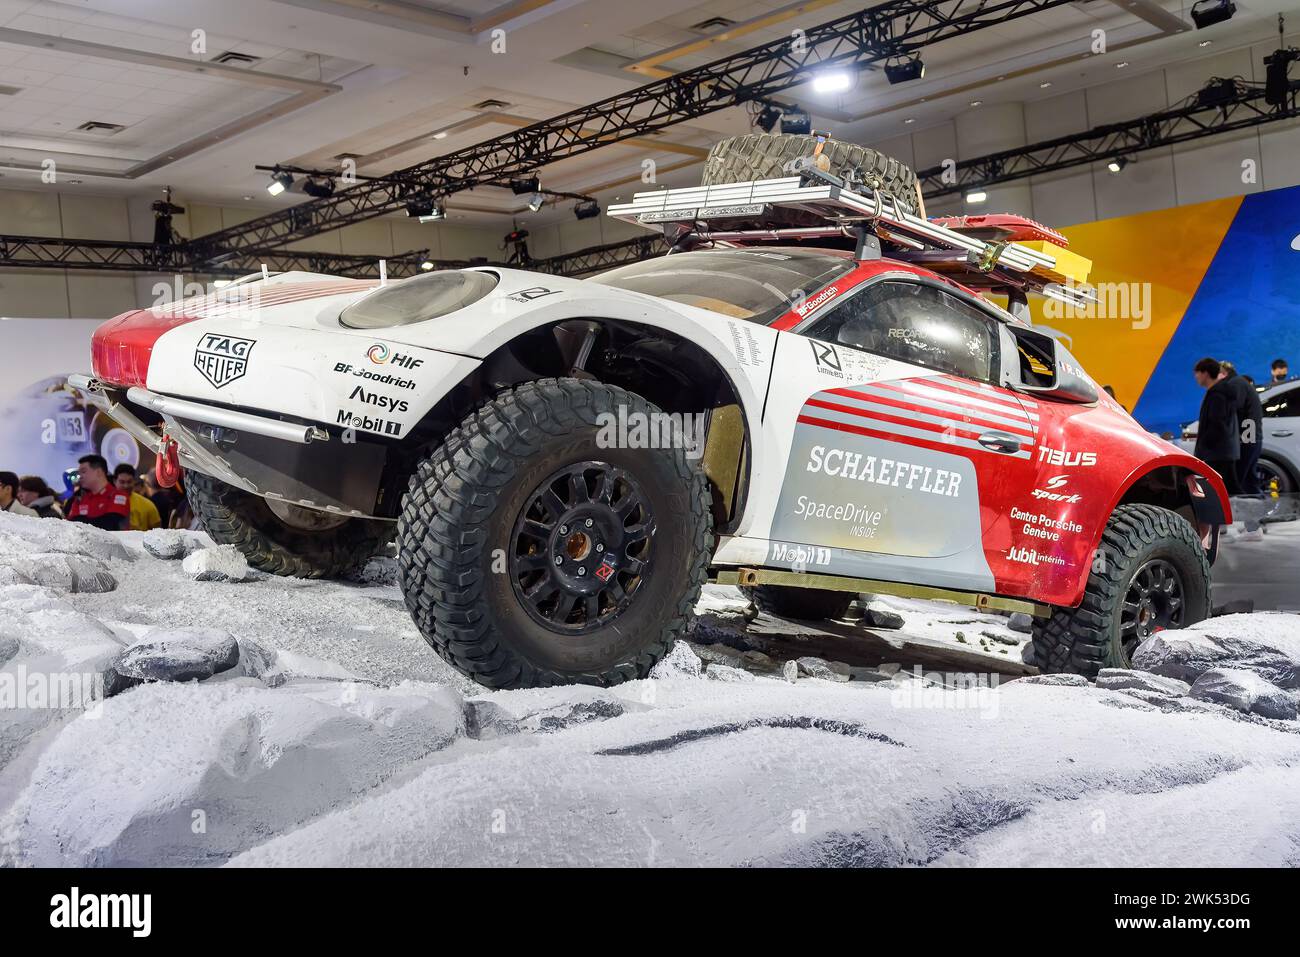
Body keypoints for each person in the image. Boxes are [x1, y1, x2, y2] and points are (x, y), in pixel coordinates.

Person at [1192, 357, 1240, 495]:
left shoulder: (1217, 394)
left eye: (1197, 373)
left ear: (1205, 373)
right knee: (1231, 489)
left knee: (1217, 491)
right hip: (1224, 451)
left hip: (1216, 453)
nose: (1196, 377)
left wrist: (1204, 448)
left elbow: (1216, 423)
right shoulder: (1222, 392)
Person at [1219, 361, 1264, 496]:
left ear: (1224, 373)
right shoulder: (1240, 383)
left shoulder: (1235, 384)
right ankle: (1257, 506)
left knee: (1238, 479)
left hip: (1246, 437)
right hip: (1251, 436)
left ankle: (1239, 509)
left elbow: (1233, 408)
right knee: (1249, 479)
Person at [65, 454, 130, 530]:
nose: (80, 476)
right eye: (79, 473)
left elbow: (110, 524)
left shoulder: (118, 496)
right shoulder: (80, 499)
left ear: (98, 472)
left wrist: (81, 520)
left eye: (83, 471)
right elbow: (70, 525)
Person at [113, 463, 162, 532]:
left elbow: (157, 531)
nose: (126, 486)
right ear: (114, 481)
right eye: (122, 482)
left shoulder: (148, 505)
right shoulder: (106, 502)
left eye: (129, 482)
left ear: (134, 481)